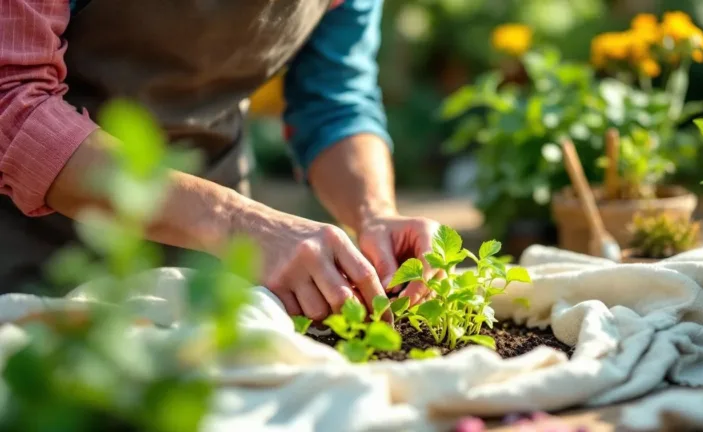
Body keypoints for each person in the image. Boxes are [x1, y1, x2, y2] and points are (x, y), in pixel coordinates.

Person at [0, 0, 439, 321]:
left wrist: (374, 214)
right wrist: (240, 223)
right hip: (35, 250)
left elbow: (335, 102)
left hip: (214, 270)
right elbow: (13, 103)